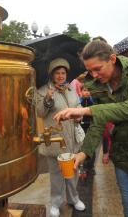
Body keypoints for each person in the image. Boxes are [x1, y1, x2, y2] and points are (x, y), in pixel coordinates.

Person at [53, 40, 128, 217]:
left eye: (98, 69)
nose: (94, 75)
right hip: (123, 154)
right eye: (89, 71)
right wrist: (83, 152)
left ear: (112, 58)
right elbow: (100, 120)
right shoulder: (97, 85)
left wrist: (85, 110)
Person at [35, 58, 85, 217]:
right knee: (56, 175)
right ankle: (55, 203)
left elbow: (78, 106)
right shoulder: (43, 90)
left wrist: (79, 115)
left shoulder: (70, 89)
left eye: (63, 73)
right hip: (56, 140)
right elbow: (40, 113)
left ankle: (73, 198)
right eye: (57, 73)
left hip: (72, 140)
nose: (61, 76)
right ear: (52, 74)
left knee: (73, 172)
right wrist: (48, 99)